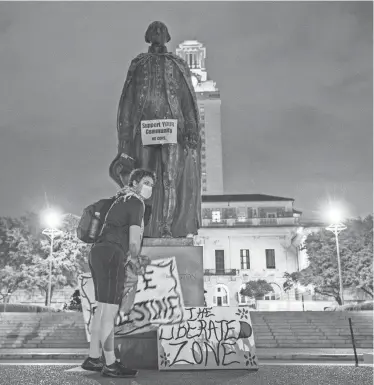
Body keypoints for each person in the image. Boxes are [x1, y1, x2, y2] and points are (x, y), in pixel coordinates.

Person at [109, 21, 201, 238]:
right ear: (147, 36)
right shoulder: (139, 64)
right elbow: (129, 101)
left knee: (171, 178)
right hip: (144, 131)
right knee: (143, 179)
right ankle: (143, 224)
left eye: (162, 30)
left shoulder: (177, 64)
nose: (158, 33)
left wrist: (191, 129)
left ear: (168, 36)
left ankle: (167, 227)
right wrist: (124, 138)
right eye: (154, 30)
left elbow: (187, 100)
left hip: (172, 130)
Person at [81, 168, 155, 378]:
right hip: (113, 254)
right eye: (146, 182)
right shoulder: (137, 202)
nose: (149, 187)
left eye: (152, 184)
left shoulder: (119, 199)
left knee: (102, 308)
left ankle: (94, 357)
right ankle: (111, 363)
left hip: (98, 252)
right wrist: (135, 261)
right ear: (134, 183)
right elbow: (133, 240)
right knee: (110, 311)